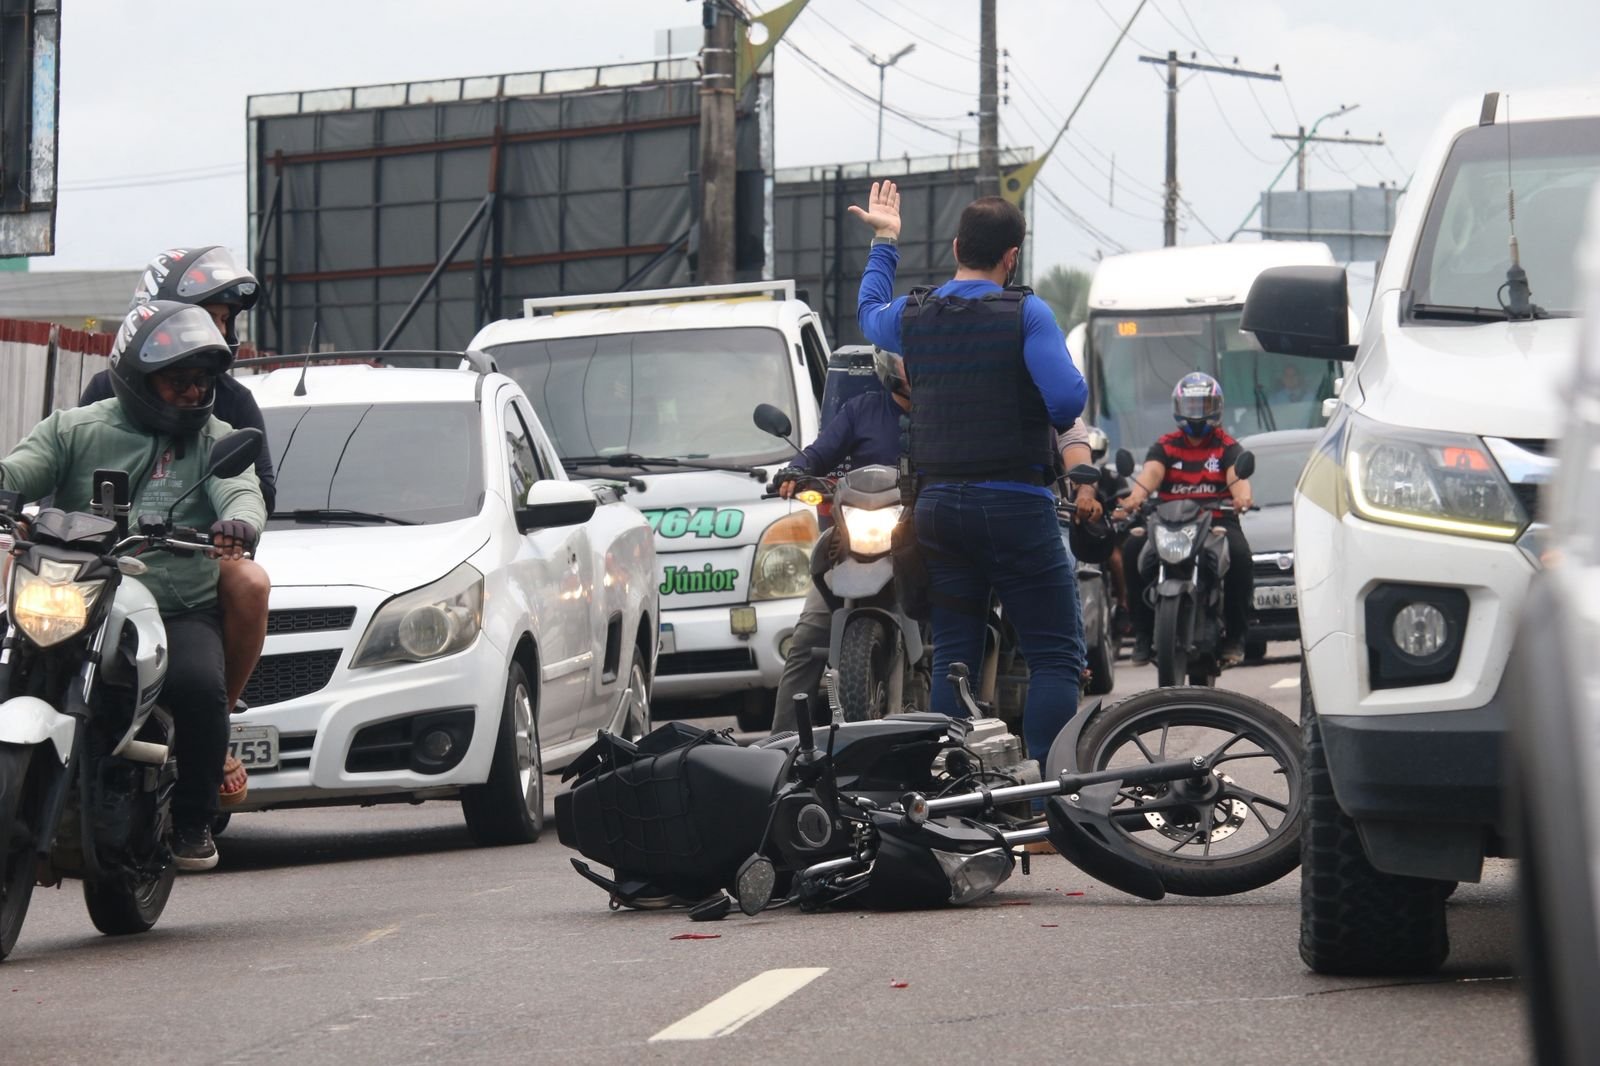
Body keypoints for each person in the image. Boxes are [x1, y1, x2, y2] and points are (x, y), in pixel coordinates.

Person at [0, 301, 266, 870]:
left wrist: (239, 523)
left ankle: (193, 820)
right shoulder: (75, 429)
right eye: (179, 380)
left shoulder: (216, 439)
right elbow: (19, 470)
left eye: (202, 381)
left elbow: (241, 490)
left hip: (175, 605)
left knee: (201, 689)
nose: (194, 392)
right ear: (138, 378)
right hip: (81, 594)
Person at [849, 180, 1089, 769]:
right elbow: (1066, 402)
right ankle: (1047, 792)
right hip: (1014, 507)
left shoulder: (913, 314)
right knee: (1054, 657)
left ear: (957, 247)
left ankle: (955, 786)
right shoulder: (1027, 313)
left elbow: (868, 314)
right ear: (1012, 257)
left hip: (938, 511)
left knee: (954, 656)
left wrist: (885, 242)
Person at [80, 247, 273, 809]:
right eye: (210, 316)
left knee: (248, 580)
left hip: (193, 559)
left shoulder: (231, 403)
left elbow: (256, 488)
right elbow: (58, 471)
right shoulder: (99, 398)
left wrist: (228, 525)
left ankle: (213, 729)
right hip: (109, 560)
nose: (221, 333)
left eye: (226, 320)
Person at [769, 348, 910, 733]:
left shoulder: (942, 415)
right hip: (857, 539)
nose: (916, 364)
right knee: (806, 638)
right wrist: (795, 471)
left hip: (920, 539)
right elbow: (819, 453)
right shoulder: (862, 410)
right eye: (907, 358)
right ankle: (781, 747)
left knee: (958, 624)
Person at [1117, 371, 1255, 665]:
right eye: (1190, 406)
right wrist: (1135, 498)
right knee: (1131, 548)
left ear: (1216, 408)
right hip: (1169, 521)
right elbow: (1150, 475)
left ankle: (1236, 637)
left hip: (1217, 520)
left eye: (1203, 406)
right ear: (1178, 408)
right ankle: (1142, 633)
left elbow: (1238, 478)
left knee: (1241, 556)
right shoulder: (1166, 445)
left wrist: (1242, 497)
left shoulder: (1227, 446)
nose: (1196, 413)